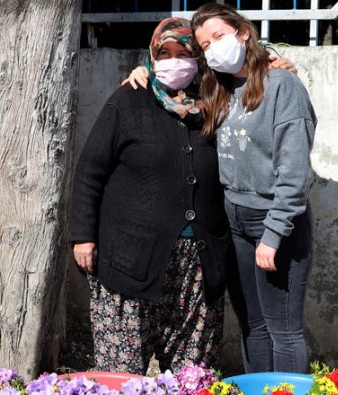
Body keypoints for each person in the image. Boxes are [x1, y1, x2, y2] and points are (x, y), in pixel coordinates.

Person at [69, 17, 232, 374]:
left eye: (183, 53)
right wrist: (82, 237)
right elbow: (90, 171)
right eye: (165, 53)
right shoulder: (128, 99)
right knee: (121, 375)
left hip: (199, 267)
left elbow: (251, 64)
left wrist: (274, 61)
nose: (174, 61)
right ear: (152, 57)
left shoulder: (216, 101)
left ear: (198, 58)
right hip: (131, 259)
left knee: (192, 376)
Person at [190, 3, 317, 374]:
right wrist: (140, 71)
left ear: (242, 32)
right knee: (253, 326)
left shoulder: (283, 86)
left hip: (274, 222)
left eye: (219, 37)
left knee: (283, 329)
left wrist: (274, 234)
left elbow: (294, 172)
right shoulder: (219, 88)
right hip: (235, 221)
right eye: (205, 45)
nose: (212, 48)